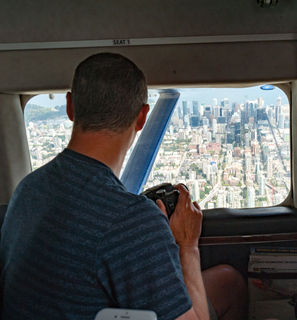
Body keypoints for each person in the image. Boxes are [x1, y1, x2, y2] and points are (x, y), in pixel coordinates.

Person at [0, 53, 246, 320]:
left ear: (71, 107)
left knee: (227, 283)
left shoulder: (26, 190)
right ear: (141, 118)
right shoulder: (131, 219)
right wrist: (187, 246)